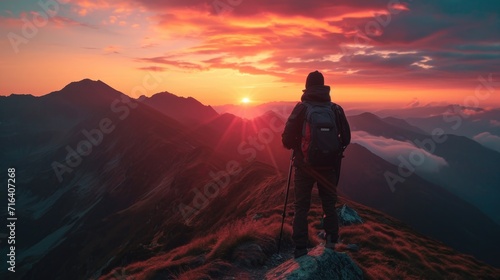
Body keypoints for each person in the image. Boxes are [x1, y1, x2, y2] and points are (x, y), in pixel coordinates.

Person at [282, 70, 351, 258]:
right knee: (329, 206)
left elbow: (286, 140)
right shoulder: (335, 109)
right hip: (328, 167)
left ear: (307, 87)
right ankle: (331, 244)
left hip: (304, 166)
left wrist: (300, 145)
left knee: (301, 207)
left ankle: (300, 249)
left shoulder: (301, 109)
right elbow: (346, 138)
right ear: (324, 87)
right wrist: (332, 152)